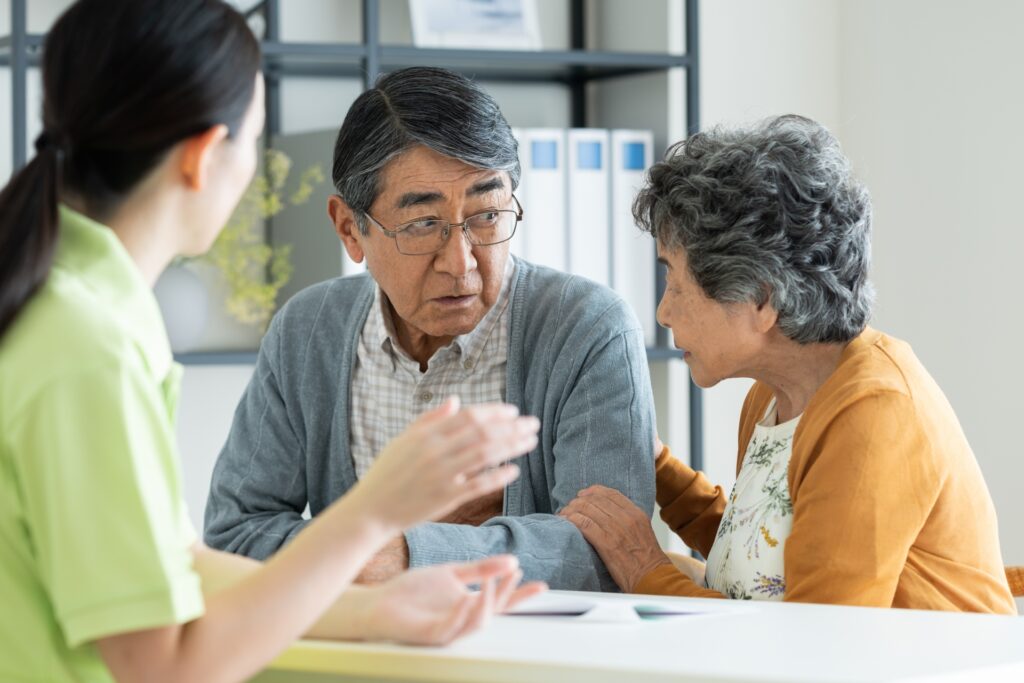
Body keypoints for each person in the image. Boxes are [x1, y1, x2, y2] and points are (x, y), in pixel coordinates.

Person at [0, 2, 546, 681]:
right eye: (253, 143)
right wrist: (375, 510)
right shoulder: (86, 348)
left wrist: (372, 611)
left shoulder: (62, 305)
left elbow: (176, 568)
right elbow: (164, 666)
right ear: (203, 157)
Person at [203, 66, 656, 592]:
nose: (461, 263)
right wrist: (449, 543)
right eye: (423, 225)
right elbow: (234, 538)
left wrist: (397, 552)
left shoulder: (588, 329)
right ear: (351, 230)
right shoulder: (307, 331)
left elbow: (604, 556)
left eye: (487, 215)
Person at [560, 115, 1017, 614]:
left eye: (675, 282)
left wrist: (645, 568)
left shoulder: (875, 414)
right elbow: (761, 559)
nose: (663, 311)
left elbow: (811, 646)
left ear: (760, 298)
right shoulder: (776, 393)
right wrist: (655, 465)